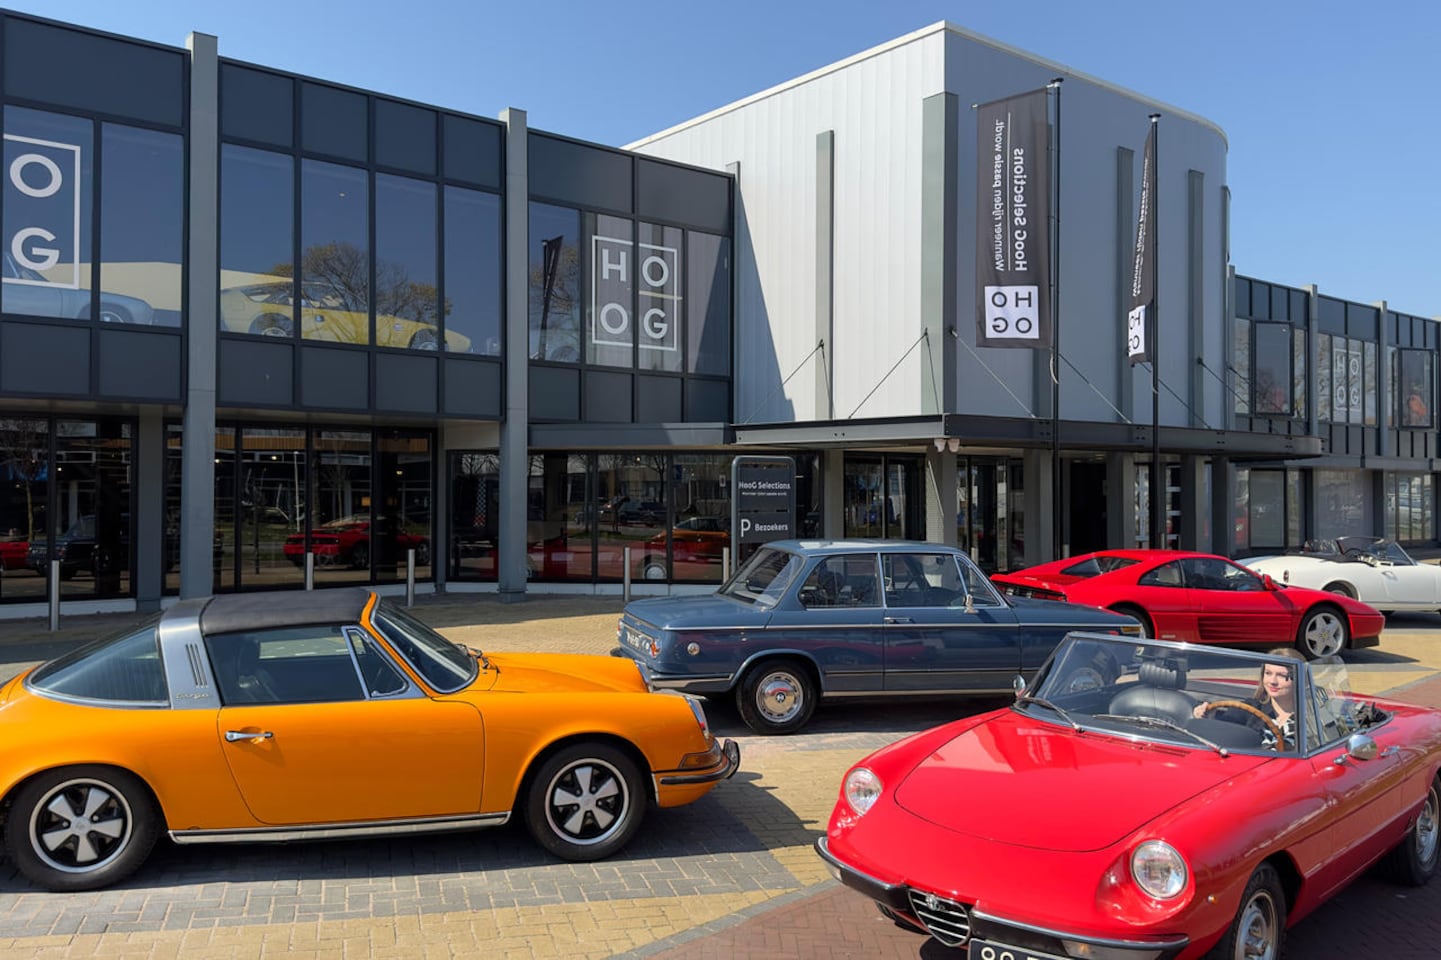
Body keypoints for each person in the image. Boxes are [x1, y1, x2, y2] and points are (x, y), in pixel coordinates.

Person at [1193, 647, 1305, 750]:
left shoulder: (1309, 717)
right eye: (1268, 673)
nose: (1272, 681)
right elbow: (1223, 734)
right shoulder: (1248, 709)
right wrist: (1208, 720)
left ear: (1299, 678)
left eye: (1281, 675)